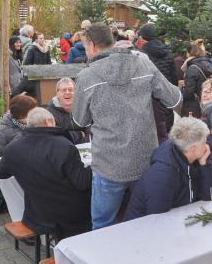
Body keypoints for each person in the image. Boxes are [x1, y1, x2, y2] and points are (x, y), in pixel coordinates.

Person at [72, 24, 182, 230]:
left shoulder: (86, 76)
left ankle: (105, 261)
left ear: (93, 46)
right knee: (147, 221)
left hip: (109, 163)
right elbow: (174, 98)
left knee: (103, 224)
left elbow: (79, 120)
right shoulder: (143, 64)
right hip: (145, 158)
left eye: (85, 46)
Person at [0, 107, 92, 239]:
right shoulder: (64, 146)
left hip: (36, 215)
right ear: (48, 122)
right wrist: (94, 166)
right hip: (71, 217)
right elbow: (83, 183)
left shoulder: (12, 149)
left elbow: (0, 173)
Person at [124, 117, 212, 220]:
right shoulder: (162, 174)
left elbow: (209, 196)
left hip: (181, 219)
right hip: (141, 229)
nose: (207, 145)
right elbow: (158, 218)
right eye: (204, 142)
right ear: (193, 149)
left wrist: (204, 164)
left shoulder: (193, 158)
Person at [137, 23, 179, 136]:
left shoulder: (141, 56)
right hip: (166, 101)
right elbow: (174, 78)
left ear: (142, 38)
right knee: (166, 134)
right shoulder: (168, 53)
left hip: (149, 103)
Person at [46, 78, 89, 144]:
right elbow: (55, 135)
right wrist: (80, 134)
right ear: (57, 93)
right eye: (63, 90)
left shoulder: (85, 108)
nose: (67, 92)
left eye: (70, 89)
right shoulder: (49, 113)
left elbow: (92, 128)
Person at [181, 39, 212, 117]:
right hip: (207, 100)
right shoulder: (207, 64)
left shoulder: (192, 68)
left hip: (194, 105)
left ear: (189, 53)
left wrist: (180, 94)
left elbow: (189, 92)